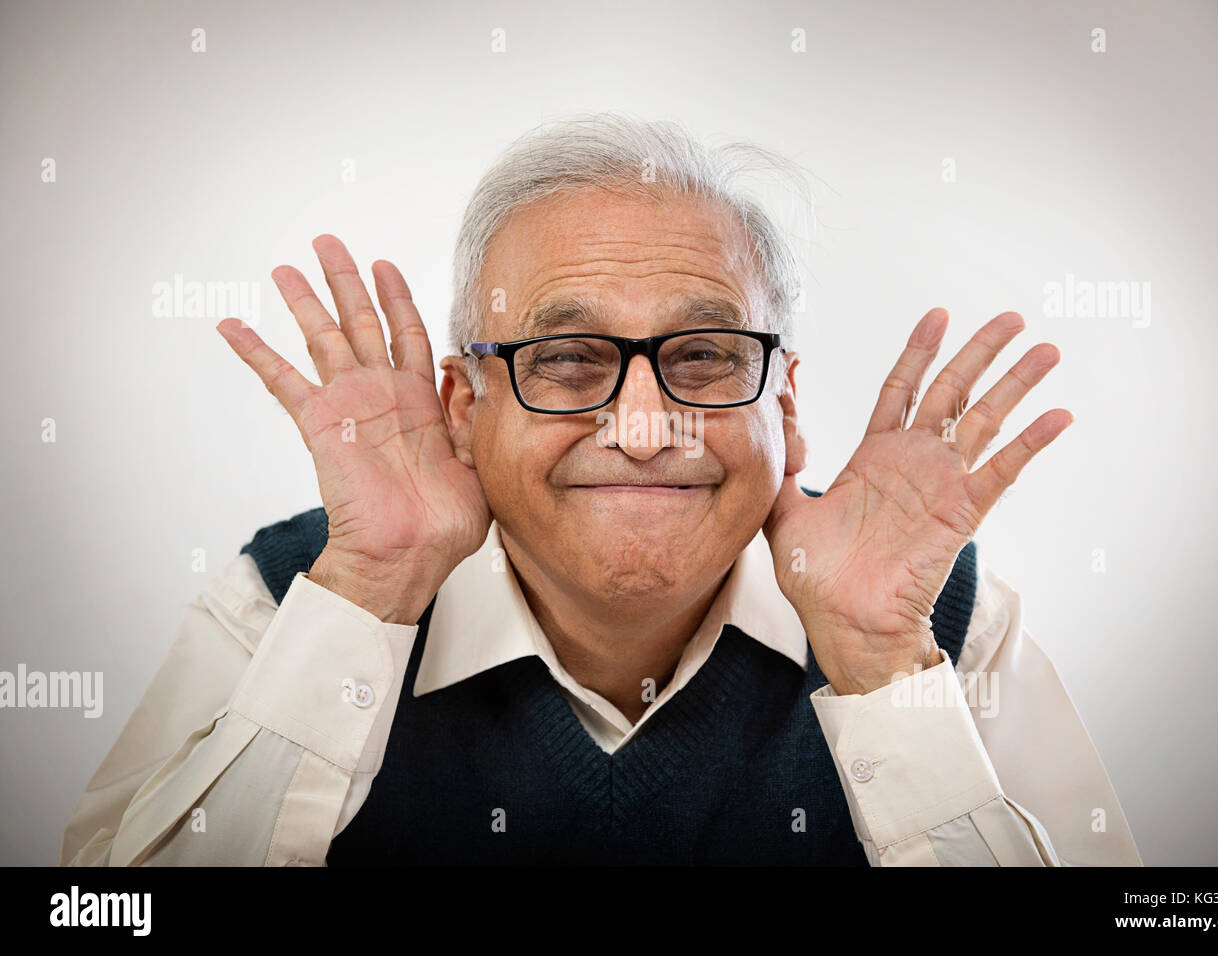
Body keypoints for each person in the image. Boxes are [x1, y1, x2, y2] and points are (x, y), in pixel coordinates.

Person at [61, 115, 1140, 866]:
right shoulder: (290, 594)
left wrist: (881, 672)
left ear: (788, 406)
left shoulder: (939, 621)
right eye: (569, 358)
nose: (639, 426)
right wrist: (368, 591)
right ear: (462, 406)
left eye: (707, 355)